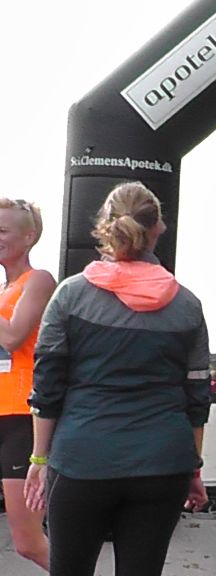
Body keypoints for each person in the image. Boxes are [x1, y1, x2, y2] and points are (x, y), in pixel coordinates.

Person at [24, 181, 211, 576]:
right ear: (159, 228)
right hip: (164, 462)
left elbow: (48, 387)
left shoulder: (71, 296)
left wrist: (39, 459)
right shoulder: (187, 305)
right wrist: (193, 468)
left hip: (81, 461)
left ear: (104, 226)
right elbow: (197, 396)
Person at [0, 198, 55, 570]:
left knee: (29, 543)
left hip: (22, 417)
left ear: (28, 236)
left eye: (3, 230)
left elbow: (13, 336)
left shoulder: (38, 280)